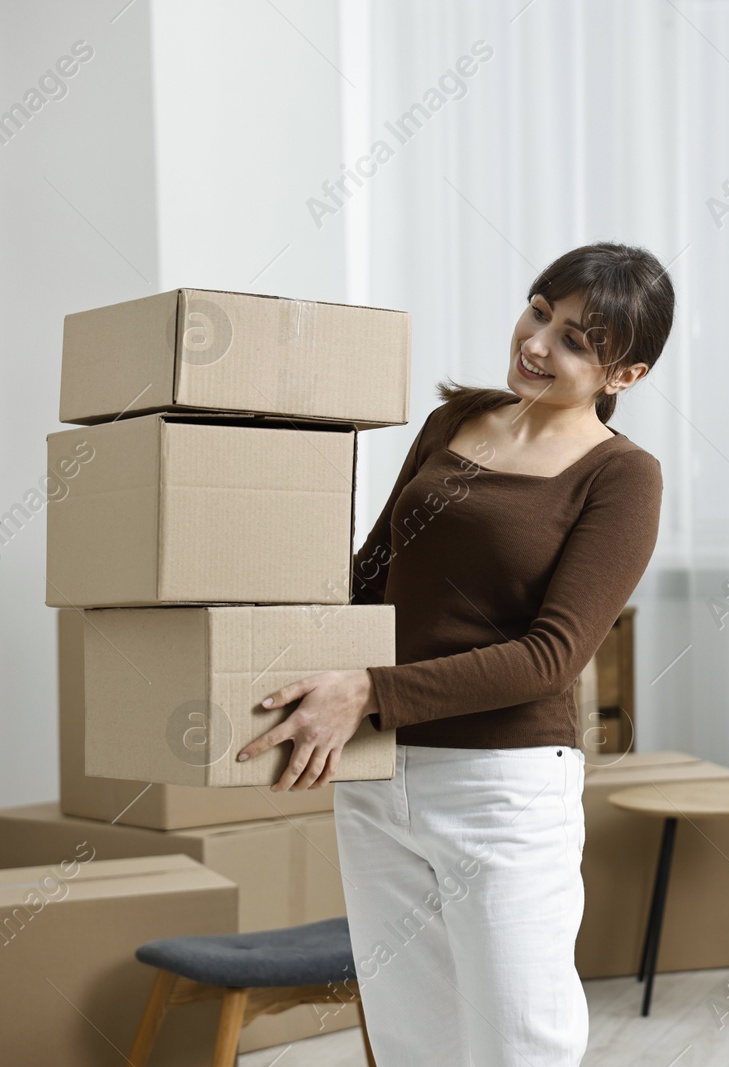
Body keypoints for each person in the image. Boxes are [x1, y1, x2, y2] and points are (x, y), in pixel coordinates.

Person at [236, 242, 674, 1065]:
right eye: (541, 310)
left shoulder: (622, 477)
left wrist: (368, 690)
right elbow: (370, 576)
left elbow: (551, 656)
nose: (538, 343)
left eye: (579, 341)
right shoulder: (455, 421)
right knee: (409, 1043)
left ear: (628, 375)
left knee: (518, 1044)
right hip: (376, 775)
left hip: (502, 788)